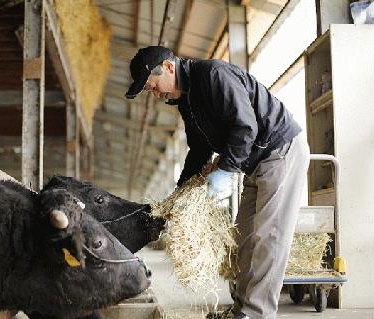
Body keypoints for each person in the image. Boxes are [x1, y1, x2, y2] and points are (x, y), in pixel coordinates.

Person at [124, 46, 310, 319]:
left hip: (279, 151)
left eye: (153, 86)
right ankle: (241, 309)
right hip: (255, 164)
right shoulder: (187, 102)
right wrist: (180, 194)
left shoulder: (213, 75)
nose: (156, 94)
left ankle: (257, 313)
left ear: (169, 67)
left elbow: (245, 126)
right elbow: (199, 149)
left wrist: (225, 170)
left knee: (269, 237)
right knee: (244, 239)